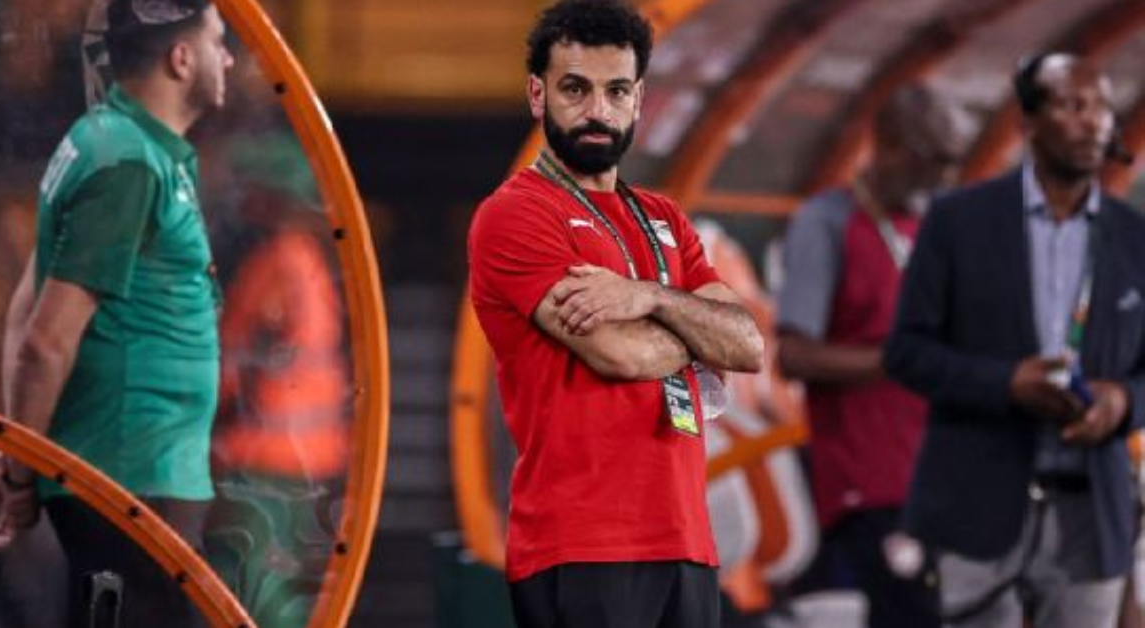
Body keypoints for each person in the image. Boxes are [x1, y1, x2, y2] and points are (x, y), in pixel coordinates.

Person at [467, 1, 765, 626]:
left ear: (638, 99)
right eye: (575, 89)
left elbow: (747, 344)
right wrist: (695, 329)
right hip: (581, 545)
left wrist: (649, 298)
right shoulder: (516, 214)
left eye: (616, 91)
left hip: (687, 540)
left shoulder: (664, 216)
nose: (598, 110)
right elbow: (619, 353)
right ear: (537, 94)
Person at [0, 1, 234, 626]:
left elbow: (24, 309)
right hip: (131, 482)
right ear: (181, 58)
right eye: (218, 42)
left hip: (133, 482)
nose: (228, 59)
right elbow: (44, 340)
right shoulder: (127, 162)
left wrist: (17, 457)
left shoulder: (113, 143)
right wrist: (20, 471)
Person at [884, 52, 1145, 628]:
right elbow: (907, 353)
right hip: (977, 503)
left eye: (1102, 107)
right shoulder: (958, 222)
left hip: (1090, 515)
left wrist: (1123, 402)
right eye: (1072, 105)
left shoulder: (1135, 239)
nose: (1094, 122)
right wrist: (1006, 384)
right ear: (1028, 122)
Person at [776, 83, 964, 628]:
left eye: (952, 161)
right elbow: (793, 356)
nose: (944, 176)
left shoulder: (935, 224)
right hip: (871, 478)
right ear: (889, 145)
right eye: (933, 159)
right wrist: (900, 360)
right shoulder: (827, 223)